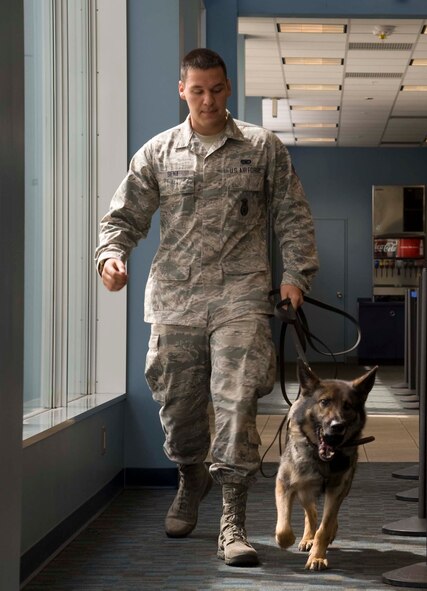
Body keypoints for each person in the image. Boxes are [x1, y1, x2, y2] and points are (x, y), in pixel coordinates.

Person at [95, 48, 319, 567]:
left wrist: (295, 276)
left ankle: (233, 520)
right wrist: (110, 257)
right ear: (183, 91)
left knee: (238, 404)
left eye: (217, 89)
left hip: (241, 296)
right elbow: (122, 218)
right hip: (174, 300)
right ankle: (189, 475)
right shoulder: (158, 152)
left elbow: (293, 215)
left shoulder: (262, 148)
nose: (209, 99)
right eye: (198, 90)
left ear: (228, 86)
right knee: (178, 409)